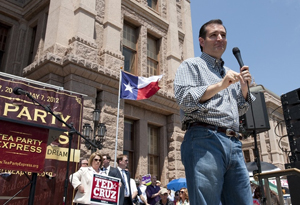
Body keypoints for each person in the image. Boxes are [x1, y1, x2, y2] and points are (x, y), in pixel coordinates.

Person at [174, 19, 254, 205]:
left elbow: (241, 109)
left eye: (223, 35)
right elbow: (185, 100)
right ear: (201, 41)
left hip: (234, 142)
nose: (220, 38)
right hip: (204, 139)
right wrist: (220, 85)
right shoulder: (191, 65)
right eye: (213, 35)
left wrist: (244, 89)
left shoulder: (230, 72)